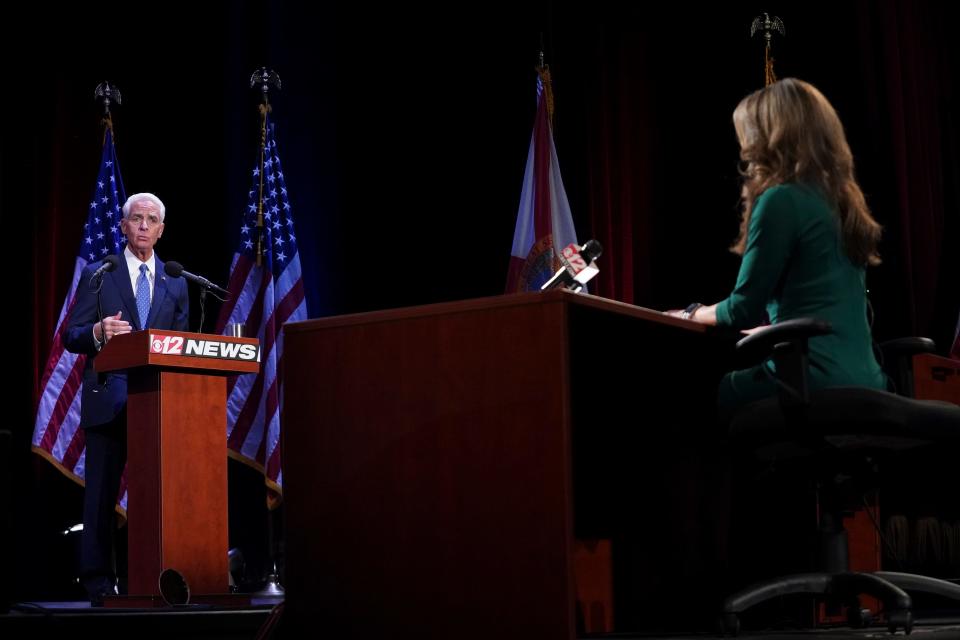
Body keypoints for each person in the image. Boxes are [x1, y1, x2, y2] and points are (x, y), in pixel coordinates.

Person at [666, 78, 886, 411]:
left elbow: (743, 308)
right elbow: (822, 299)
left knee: (695, 388)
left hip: (813, 379)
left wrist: (691, 314)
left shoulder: (781, 199)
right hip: (870, 380)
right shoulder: (841, 202)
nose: (745, 149)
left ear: (769, 138)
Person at [65, 192, 189, 605]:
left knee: (158, 495)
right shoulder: (102, 273)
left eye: (151, 219)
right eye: (136, 218)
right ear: (122, 225)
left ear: (161, 230)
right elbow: (72, 336)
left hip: (156, 403)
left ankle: (153, 578)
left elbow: (181, 345)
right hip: (108, 400)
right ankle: (99, 583)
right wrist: (98, 332)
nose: (143, 225)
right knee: (100, 496)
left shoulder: (176, 283)